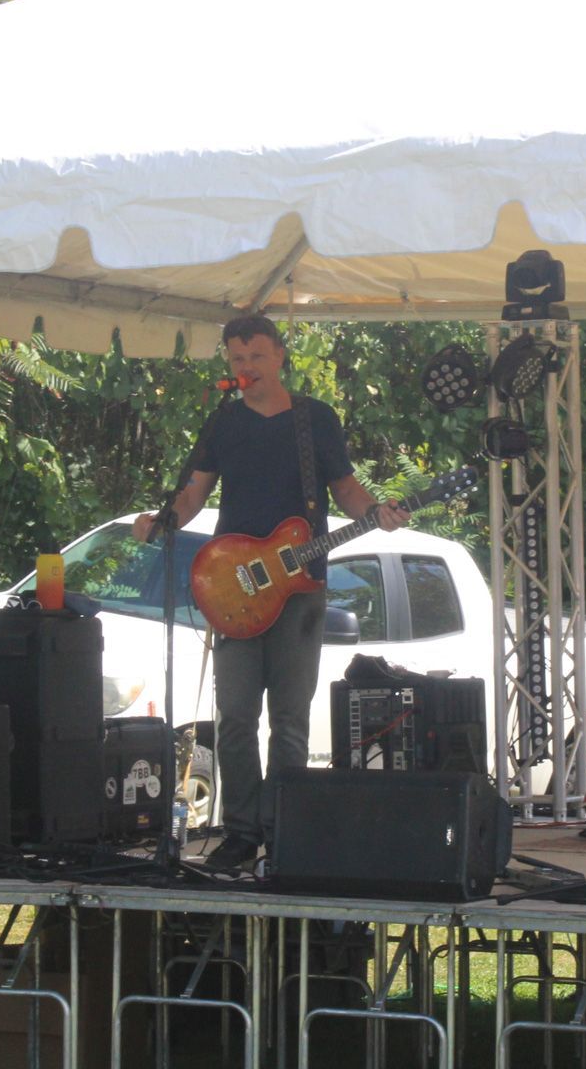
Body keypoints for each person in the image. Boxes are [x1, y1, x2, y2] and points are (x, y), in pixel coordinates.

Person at [132, 314, 405, 870]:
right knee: (234, 714)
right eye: (236, 359)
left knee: (290, 715)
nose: (246, 368)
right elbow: (193, 492)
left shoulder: (315, 420)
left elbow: (347, 489)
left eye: (255, 356)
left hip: (301, 589)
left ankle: (285, 830)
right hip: (234, 584)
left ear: (280, 356)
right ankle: (240, 831)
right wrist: (164, 520)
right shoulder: (224, 423)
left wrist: (377, 512)